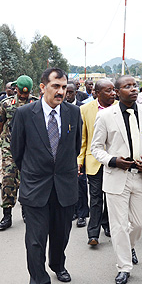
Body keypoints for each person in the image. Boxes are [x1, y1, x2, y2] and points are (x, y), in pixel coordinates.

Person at [11, 67, 82, 284]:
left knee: (61, 234)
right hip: (35, 187)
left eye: (64, 87)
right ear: (43, 88)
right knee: (35, 240)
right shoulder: (24, 114)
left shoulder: (73, 113)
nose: (61, 91)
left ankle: (58, 264)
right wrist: (33, 172)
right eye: (56, 86)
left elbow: (73, 149)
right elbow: (17, 151)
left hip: (65, 185)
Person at [91, 75, 142, 284]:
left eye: (134, 86)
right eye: (127, 86)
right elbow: (96, 148)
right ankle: (124, 267)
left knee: (139, 223)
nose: (133, 89)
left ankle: (129, 246)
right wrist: (113, 160)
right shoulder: (106, 116)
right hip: (117, 177)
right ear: (116, 91)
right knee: (119, 225)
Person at [0, 75, 38, 230]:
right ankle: (7, 215)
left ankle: (26, 211)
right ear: (15, 89)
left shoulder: (36, 103)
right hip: (9, 148)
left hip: (30, 150)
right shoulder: (6, 103)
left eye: (26, 93)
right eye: (21, 93)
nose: (23, 95)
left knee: (28, 181)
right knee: (8, 180)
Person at [78, 79, 117, 245]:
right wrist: (79, 160)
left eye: (114, 90)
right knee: (95, 198)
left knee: (111, 197)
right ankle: (93, 234)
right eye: (108, 91)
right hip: (94, 161)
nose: (113, 93)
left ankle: (107, 224)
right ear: (97, 93)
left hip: (116, 162)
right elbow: (83, 138)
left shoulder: (120, 107)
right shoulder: (85, 109)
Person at [66, 83, 89, 226]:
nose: (67, 95)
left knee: (81, 182)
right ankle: (73, 210)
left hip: (81, 150)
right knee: (69, 183)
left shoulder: (82, 108)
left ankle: (82, 214)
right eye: (66, 92)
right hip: (66, 151)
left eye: (70, 92)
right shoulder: (61, 107)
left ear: (76, 93)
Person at [0, 83, 14, 188]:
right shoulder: (1, 100)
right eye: (9, 88)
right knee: (3, 159)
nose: (11, 90)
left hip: (17, 138)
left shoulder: (27, 102)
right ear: (6, 89)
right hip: (4, 136)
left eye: (13, 88)